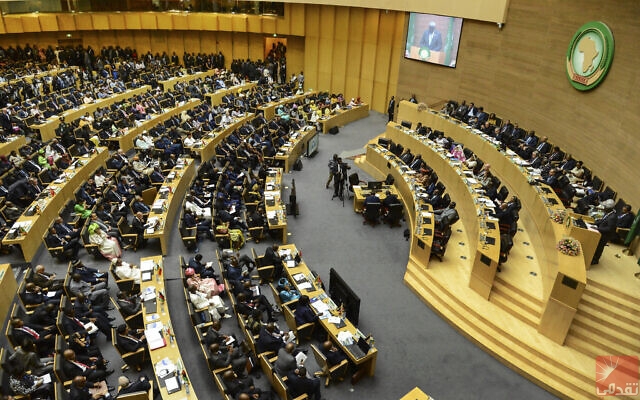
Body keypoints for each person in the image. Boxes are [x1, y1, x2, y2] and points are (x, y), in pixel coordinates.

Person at [591, 199, 617, 265]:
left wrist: (598, 229)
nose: (604, 208)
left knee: (600, 247)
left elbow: (609, 228)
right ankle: (592, 257)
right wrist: (593, 223)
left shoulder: (612, 217)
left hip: (605, 235)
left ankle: (595, 260)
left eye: (605, 207)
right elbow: (602, 220)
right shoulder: (608, 213)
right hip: (601, 232)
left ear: (609, 208)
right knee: (596, 246)